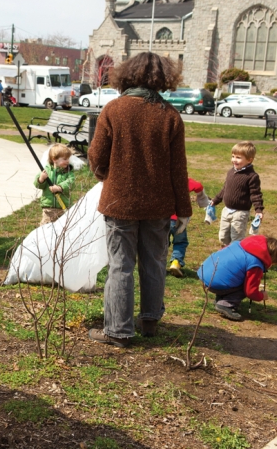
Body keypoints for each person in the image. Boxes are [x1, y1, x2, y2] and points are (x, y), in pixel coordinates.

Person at [87, 52, 191, 347]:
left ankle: (118, 330)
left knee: (120, 266)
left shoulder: (114, 110)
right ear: (162, 78)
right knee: (154, 263)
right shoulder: (170, 115)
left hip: (119, 203)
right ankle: (149, 321)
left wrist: (105, 174)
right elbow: (177, 169)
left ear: (127, 75)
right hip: (158, 206)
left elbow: (96, 156)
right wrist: (183, 210)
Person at [197, 235, 277, 321]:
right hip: (215, 282)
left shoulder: (238, 244)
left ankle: (221, 298)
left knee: (235, 273)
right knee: (246, 284)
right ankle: (226, 304)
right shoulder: (255, 263)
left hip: (204, 272)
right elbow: (250, 292)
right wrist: (261, 296)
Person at [210, 142, 263, 247]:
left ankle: (235, 256)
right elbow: (225, 188)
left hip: (240, 213)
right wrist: (216, 200)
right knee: (223, 236)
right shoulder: (231, 172)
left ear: (249, 160)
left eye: (238, 157)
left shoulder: (252, 176)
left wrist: (258, 210)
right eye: (233, 156)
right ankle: (225, 252)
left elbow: (255, 194)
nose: (234, 160)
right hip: (226, 210)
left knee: (236, 237)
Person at [168, 177, 210, 277]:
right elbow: (198, 186)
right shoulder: (184, 180)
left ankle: (157, 265)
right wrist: (203, 200)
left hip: (163, 218)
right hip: (179, 219)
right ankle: (176, 262)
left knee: (161, 243)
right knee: (180, 242)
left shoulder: (163, 179)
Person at [34, 143, 75, 225]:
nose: (68, 161)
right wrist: (41, 179)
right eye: (65, 159)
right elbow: (37, 185)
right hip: (49, 208)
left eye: (68, 159)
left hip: (63, 207)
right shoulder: (46, 170)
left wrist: (60, 187)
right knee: (46, 228)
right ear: (54, 159)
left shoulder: (68, 172)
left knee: (63, 228)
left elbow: (71, 182)